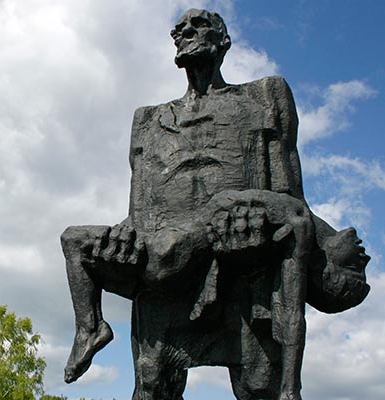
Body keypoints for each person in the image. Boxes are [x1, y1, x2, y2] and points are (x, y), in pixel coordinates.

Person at [61, 9, 370, 400]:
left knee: (261, 387)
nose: (185, 32)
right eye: (179, 29)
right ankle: (90, 328)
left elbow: (290, 195)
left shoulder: (263, 95)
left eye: (198, 25)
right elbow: (140, 207)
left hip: (244, 266)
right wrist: (125, 234)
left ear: (223, 40)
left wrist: (289, 229)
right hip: (168, 274)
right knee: (151, 383)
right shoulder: (148, 119)